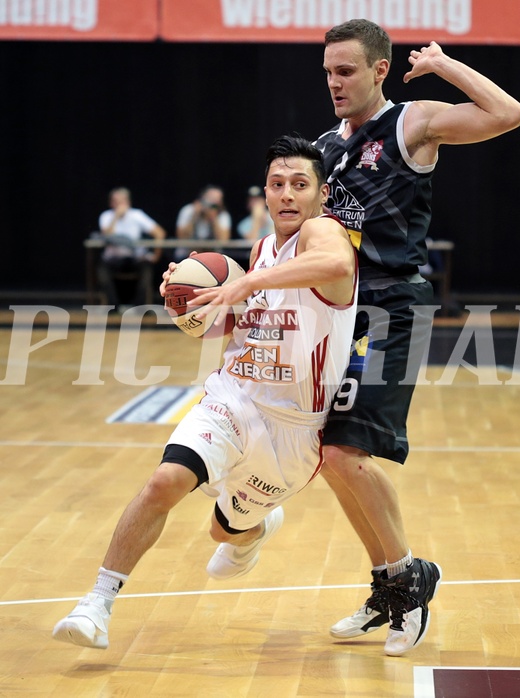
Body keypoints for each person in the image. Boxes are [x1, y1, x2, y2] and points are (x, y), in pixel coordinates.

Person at [52, 135, 357, 650]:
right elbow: (238, 325)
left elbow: (339, 267)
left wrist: (241, 285)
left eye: (300, 185)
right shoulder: (261, 249)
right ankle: (97, 604)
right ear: (265, 192)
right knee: (164, 482)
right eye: (277, 184)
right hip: (234, 398)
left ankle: (254, 531)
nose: (286, 195)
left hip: (293, 432)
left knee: (225, 532)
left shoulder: (324, 234)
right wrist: (191, 300)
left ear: (322, 195)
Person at [313, 20, 520, 656]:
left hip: (393, 310)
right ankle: (388, 583)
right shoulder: (326, 146)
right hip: (342, 311)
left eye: (346, 70)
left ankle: (409, 580)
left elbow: (507, 113)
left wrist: (442, 63)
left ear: (380, 70)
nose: (334, 82)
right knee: (328, 455)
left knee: (347, 453)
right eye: (328, 72)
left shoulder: (412, 124)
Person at [97, 187, 166, 310]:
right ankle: (113, 309)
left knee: (146, 269)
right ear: (111, 203)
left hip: (135, 259)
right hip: (113, 259)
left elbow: (159, 233)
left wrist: (156, 256)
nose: (118, 205)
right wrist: (116, 217)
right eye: (115, 201)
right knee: (102, 272)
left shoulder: (137, 215)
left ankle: (140, 308)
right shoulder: (106, 216)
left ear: (128, 202)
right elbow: (107, 236)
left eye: (121, 201)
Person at [174, 184, 231, 260]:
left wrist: (213, 220)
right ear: (202, 198)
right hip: (187, 256)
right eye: (211, 199)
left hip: (212, 257)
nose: (212, 204)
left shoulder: (222, 215)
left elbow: (224, 241)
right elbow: (181, 237)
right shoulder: (189, 210)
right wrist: (194, 216)